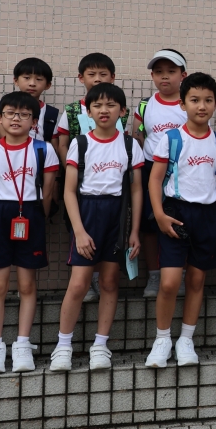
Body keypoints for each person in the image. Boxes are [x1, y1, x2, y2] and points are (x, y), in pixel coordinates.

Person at [51, 82, 143, 372]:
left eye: (111, 105)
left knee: (109, 282)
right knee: (79, 283)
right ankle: (63, 346)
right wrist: (79, 231)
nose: (104, 110)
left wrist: (134, 231)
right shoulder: (80, 143)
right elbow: (68, 192)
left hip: (117, 215)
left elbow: (136, 190)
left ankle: (101, 345)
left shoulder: (130, 145)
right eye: (97, 105)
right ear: (88, 112)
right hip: (87, 214)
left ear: (122, 111)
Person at [146, 72, 216, 368]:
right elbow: (154, 179)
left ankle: (186, 340)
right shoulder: (171, 139)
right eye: (194, 100)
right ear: (182, 104)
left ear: (215, 103)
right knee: (170, 282)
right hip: (175, 213)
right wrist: (160, 215)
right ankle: (162, 339)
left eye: (208, 100)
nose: (202, 106)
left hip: (208, 216)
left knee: (197, 280)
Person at [0, 92, 60, 374]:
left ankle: (22, 345)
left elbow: (48, 191)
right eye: (10, 113)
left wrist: (37, 215)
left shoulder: (43, 150)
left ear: (34, 122)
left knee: (27, 285)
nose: (16, 119)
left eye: (24, 115)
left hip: (30, 213)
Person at [54, 52, 124, 303]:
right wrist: (74, 167)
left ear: (112, 77)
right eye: (91, 74)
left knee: (109, 237)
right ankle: (86, 279)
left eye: (103, 74)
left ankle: (99, 279)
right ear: (81, 77)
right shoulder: (72, 110)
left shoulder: (120, 109)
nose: (97, 79)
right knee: (79, 231)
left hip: (111, 184)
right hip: (80, 181)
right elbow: (61, 143)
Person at [134, 49, 188, 300]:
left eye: (171, 71)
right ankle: (154, 275)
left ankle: (180, 274)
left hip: (182, 172)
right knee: (150, 225)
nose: (164, 77)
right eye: (158, 72)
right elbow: (138, 136)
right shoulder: (145, 105)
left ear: (183, 75)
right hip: (150, 170)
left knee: (180, 222)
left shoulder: (189, 103)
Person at [0, 57, 58, 143]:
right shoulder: (6, 104)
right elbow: (0, 133)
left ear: (47, 85)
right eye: (27, 78)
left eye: (39, 79)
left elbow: (54, 143)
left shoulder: (51, 113)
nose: (32, 83)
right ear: (16, 81)